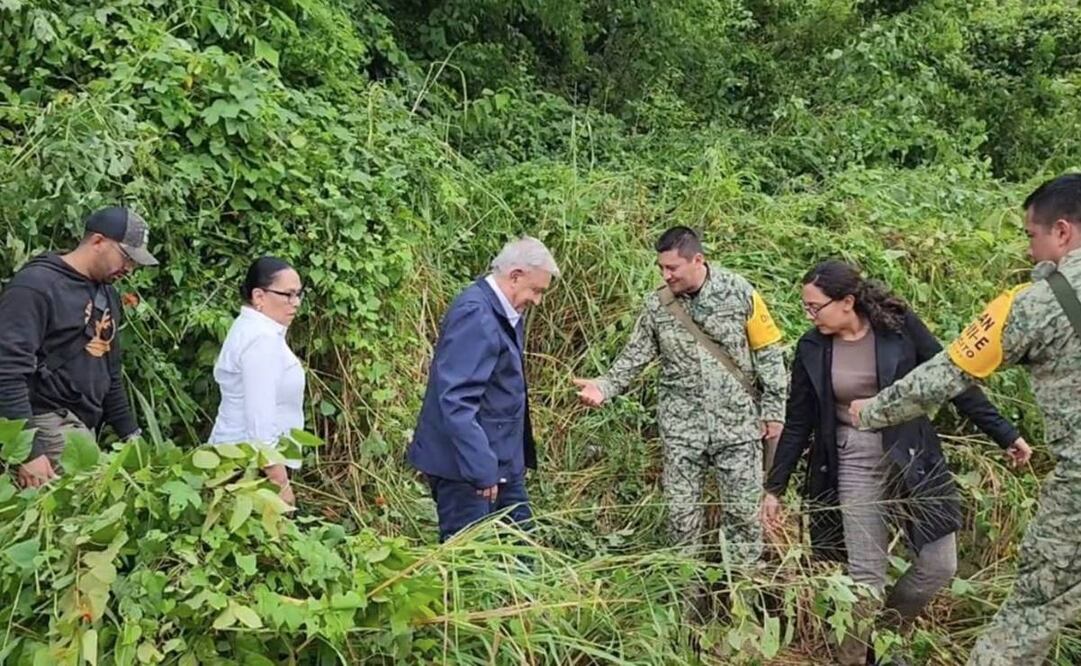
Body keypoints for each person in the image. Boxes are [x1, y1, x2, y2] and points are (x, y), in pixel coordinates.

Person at [850, 174, 1081, 666]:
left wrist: (872, 411)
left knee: (1028, 617)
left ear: (1062, 232)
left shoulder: (1035, 303)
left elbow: (945, 375)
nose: (1029, 250)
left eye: (1030, 236)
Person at [761, 260, 1029, 665]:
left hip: (912, 454)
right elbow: (798, 422)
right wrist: (774, 488)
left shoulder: (898, 328)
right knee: (865, 579)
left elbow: (951, 375)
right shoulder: (812, 348)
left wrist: (1005, 433)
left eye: (815, 306)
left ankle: (885, 636)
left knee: (940, 565)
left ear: (847, 301)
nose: (809, 315)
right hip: (851, 459)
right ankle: (852, 657)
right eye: (807, 307)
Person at [574, 226, 786, 563]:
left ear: (697, 259)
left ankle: (741, 599)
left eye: (672, 268)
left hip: (738, 429)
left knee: (744, 519)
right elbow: (635, 355)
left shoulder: (739, 292)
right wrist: (605, 386)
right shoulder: (658, 305)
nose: (665, 274)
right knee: (681, 520)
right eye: (661, 268)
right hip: (682, 431)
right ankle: (685, 602)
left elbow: (769, 353)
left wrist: (774, 411)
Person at [408, 236, 559, 541]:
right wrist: (481, 470)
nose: (538, 300)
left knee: (521, 552)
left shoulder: (502, 311)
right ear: (515, 275)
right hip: (467, 470)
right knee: (469, 565)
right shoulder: (477, 314)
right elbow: (456, 400)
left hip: (498, 464)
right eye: (536, 290)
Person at [0, 206, 157, 488]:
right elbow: (7, 371)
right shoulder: (35, 287)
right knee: (93, 498)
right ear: (98, 241)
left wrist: (133, 437)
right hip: (45, 418)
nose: (130, 268)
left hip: (82, 423)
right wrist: (28, 451)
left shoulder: (106, 294)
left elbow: (110, 375)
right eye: (126, 257)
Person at [209, 257, 306, 506]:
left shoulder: (253, 330)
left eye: (299, 294)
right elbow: (260, 422)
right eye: (287, 295)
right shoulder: (261, 340)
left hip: (241, 460)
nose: (295, 303)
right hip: (248, 467)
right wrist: (281, 484)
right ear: (259, 296)